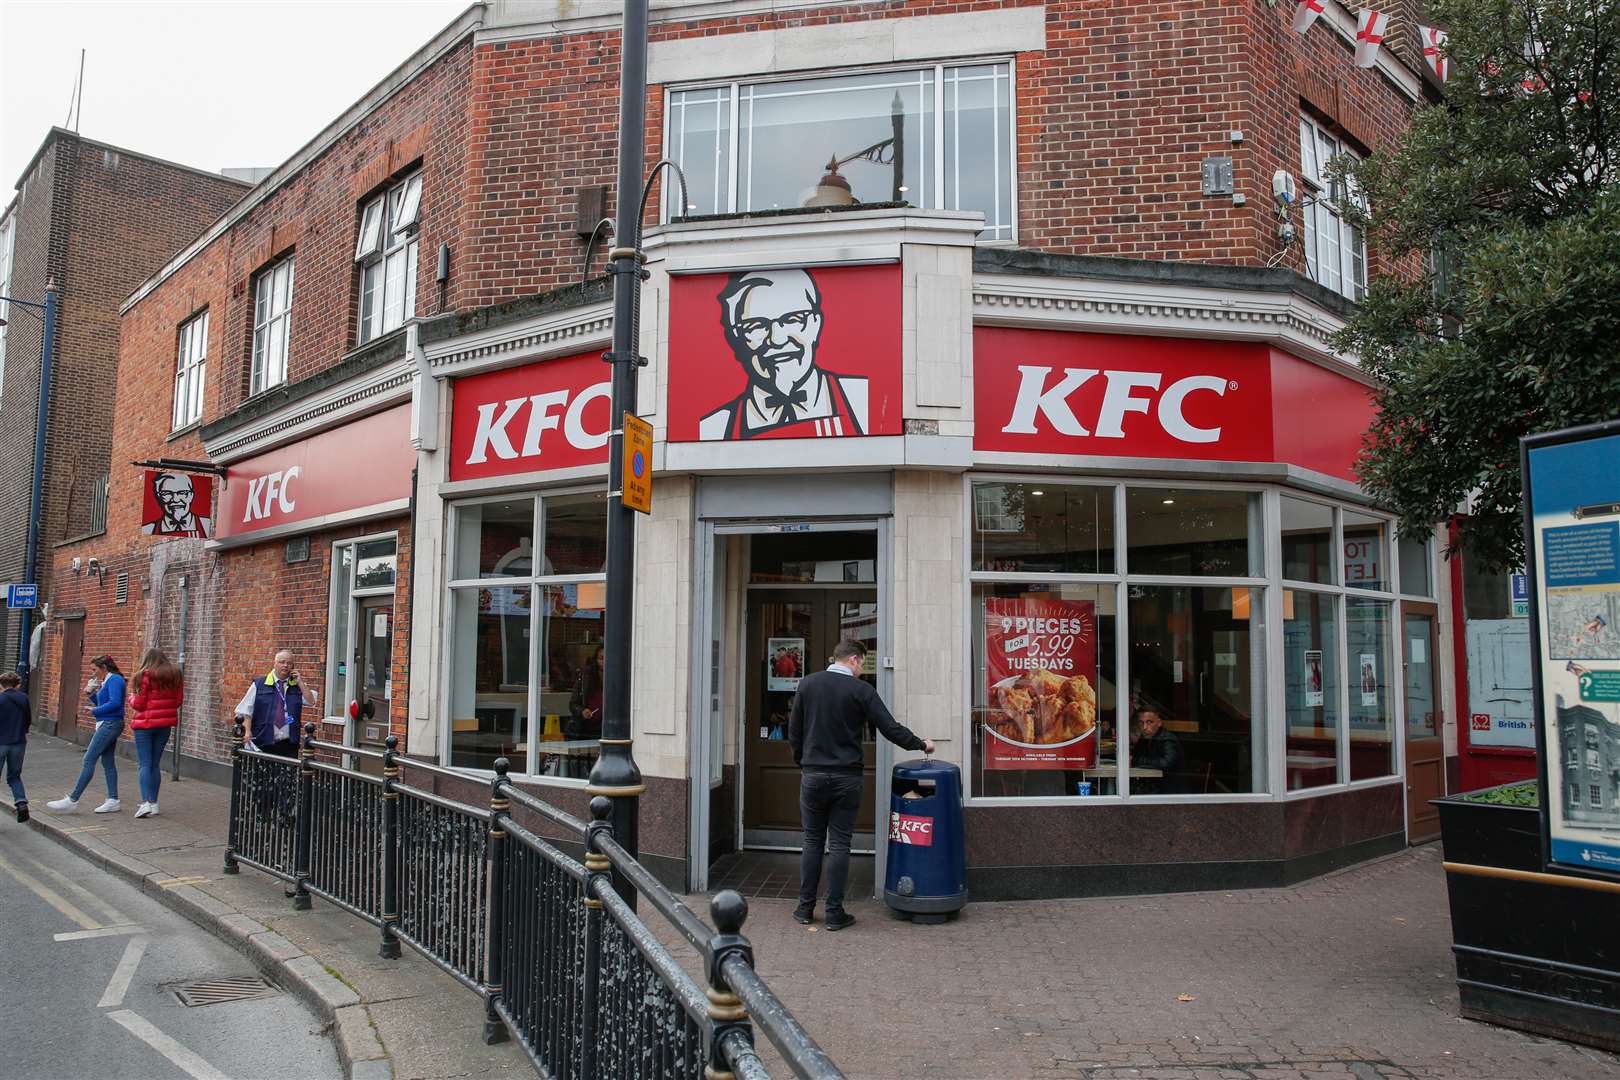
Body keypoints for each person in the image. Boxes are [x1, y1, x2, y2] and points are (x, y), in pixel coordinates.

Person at [788, 638, 934, 931]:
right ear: (854, 659)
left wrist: (803, 762)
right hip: (846, 777)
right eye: (862, 664)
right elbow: (889, 728)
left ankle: (804, 908)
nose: (862, 670)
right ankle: (833, 912)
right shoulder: (861, 690)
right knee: (840, 843)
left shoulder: (808, 684)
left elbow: (795, 731)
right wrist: (921, 744)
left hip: (813, 775)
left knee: (812, 841)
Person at [698, 268, 870, 441]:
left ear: (816, 325)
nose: (777, 339)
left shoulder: (861, 399)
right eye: (756, 325)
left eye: (793, 319)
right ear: (736, 339)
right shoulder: (715, 428)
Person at [47, 655, 126, 814]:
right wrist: (90, 693)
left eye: (94, 669)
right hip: (108, 722)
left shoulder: (115, 680)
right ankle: (113, 799)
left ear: (104, 667)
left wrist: (95, 711)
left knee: (89, 758)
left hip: (110, 723)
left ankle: (73, 799)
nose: (93, 673)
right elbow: (104, 703)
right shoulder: (109, 680)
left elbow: (115, 703)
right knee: (108, 762)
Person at [129, 649, 183, 819]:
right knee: (155, 764)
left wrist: (131, 697)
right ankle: (154, 803)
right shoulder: (176, 675)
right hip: (165, 725)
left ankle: (145, 802)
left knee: (144, 764)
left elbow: (139, 704)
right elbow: (178, 701)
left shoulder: (145, 675)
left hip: (145, 725)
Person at [232, 649, 317, 758]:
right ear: (275, 663)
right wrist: (247, 731)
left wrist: (300, 682)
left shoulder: (297, 686)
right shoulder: (259, 684)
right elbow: (245, 711)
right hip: (263, 741)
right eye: (282, 662)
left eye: (289, 663)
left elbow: (311, 702)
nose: (285, 665)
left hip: (289, 743)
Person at [1130, 705, 1185, 794]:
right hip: (1152, 787)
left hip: (1170, 791)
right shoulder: (1144, 738)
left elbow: (1167, 763)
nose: (1144, 727)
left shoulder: (1168, 739)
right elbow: (1135, 756)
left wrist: (1135, 760)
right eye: (1141, 723)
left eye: (1149, 722)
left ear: (1159, 723)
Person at [141, 471, 212, 537]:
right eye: (167, 493)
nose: (175, 499)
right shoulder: (149, 529)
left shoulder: (206, 524)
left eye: (182, 493)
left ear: (191, 495)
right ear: (159, 497)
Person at [0, 671, 30, 823]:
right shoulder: (24, 698)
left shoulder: (0, 699)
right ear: (17, 685)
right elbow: (28, 720)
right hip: (18, 742)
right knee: (14, 776)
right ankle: (21, 802)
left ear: (1, 685)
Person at [568, 646, 604, 740]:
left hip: (607, 727)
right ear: (596, 660)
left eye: (608, 658)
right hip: (587, 727)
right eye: (601, 658)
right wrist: (582, 711)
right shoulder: (585, 677)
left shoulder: (618, 677)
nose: (604, 662)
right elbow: (573, 704)